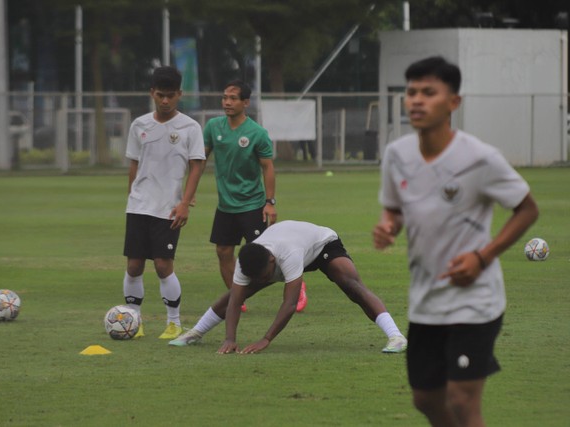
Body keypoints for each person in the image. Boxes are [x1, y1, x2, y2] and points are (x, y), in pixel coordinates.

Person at [372, 56, 539, 427]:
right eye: (411, 92)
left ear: (453, 102)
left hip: (475, 299)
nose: (416, 100)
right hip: (426, 300)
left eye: (429, 93)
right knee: (425, 399)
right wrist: (388, 226)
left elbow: (527, 209)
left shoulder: (479, 158)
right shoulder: (397, 155)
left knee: (463, 402)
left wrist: (482, 256)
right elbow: (395, 209)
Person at [169, 220, 407, 354]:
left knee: (352, 286)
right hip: (286, 249)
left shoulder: (287, 254)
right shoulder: (248, 261)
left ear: (272, 262)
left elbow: (290, 303)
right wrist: (229, 338)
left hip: (321, 245)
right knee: (233, 293)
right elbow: (235, 301)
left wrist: (266, 339)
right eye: (259, 278)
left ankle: (396, 337)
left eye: (265, 277)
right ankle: (195, 332)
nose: (263, 282)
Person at [202, 79, 307, 312]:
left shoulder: (257, 133)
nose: (227, 102)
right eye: (225, 97)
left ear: (246, 102)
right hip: (225, 206)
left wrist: (270, 202)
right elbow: (199, 159)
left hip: (252, 205)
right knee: (223, 251)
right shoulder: (213, 128)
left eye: (233, 98)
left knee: (267, 253)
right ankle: (236, 297)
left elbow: (268, 167)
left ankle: (298, 286)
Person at [122, 66, 206, 340]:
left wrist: (184, 202)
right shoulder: (139, 125)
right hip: (138, 206)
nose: (165, 101)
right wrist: (131, 197)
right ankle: (133, 321)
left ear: (179, 94)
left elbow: (197, 165)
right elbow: (134, 164)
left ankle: (174, 323)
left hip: (168, 207)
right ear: (152, 93)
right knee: (134, 266)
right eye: (161, 95)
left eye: (171, 96)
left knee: (162, 265)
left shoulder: (190, 127)